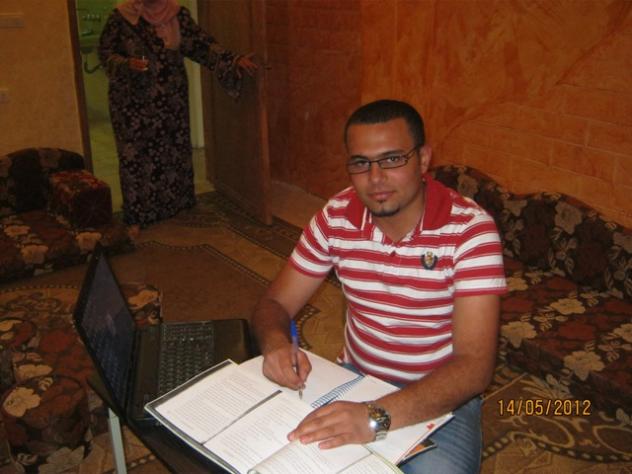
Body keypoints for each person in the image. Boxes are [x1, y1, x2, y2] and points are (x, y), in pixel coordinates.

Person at [251, 99, 507, 473]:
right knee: (281, 453)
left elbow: (474, 366)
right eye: (361, 163)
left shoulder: (470, 230)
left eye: (392, 159)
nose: (375, 178)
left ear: (423, 160)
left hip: (443, 394)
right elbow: (274, 302)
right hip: (355, 377)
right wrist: (275, 344)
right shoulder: (336, 217)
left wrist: (375, 417)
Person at [98, 0, 257, 237]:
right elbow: (105, 53)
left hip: (171, 102)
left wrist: (232, 60)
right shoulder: (121, 17)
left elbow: (202, 45)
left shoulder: (177, 14)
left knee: (174, 151)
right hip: (132, 105)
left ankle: (177, 206)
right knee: (136, 159)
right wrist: (126, 64)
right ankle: (137, 216)